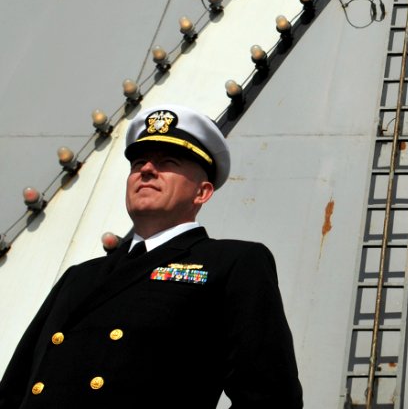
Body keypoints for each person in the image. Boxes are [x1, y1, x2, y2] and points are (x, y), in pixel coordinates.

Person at [0, 105, 303, 408]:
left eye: (168, 162)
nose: (146, 170)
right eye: (139, 163)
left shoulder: (231, 263)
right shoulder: (80, 276)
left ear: (202, 192)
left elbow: (270, 396)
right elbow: (15, 388)